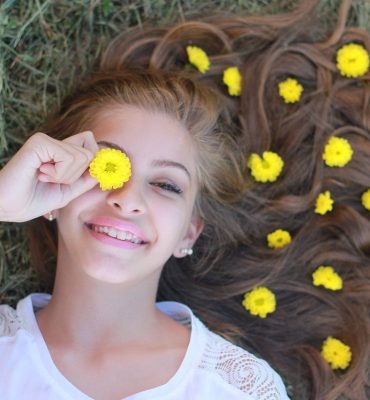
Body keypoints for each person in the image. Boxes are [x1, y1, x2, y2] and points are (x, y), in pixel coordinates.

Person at [0, 0, 369, 399]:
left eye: (166, 185)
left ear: (189, 234)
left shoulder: (239, 388)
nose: (127, 198)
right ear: (51, 188)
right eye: (107, 165)